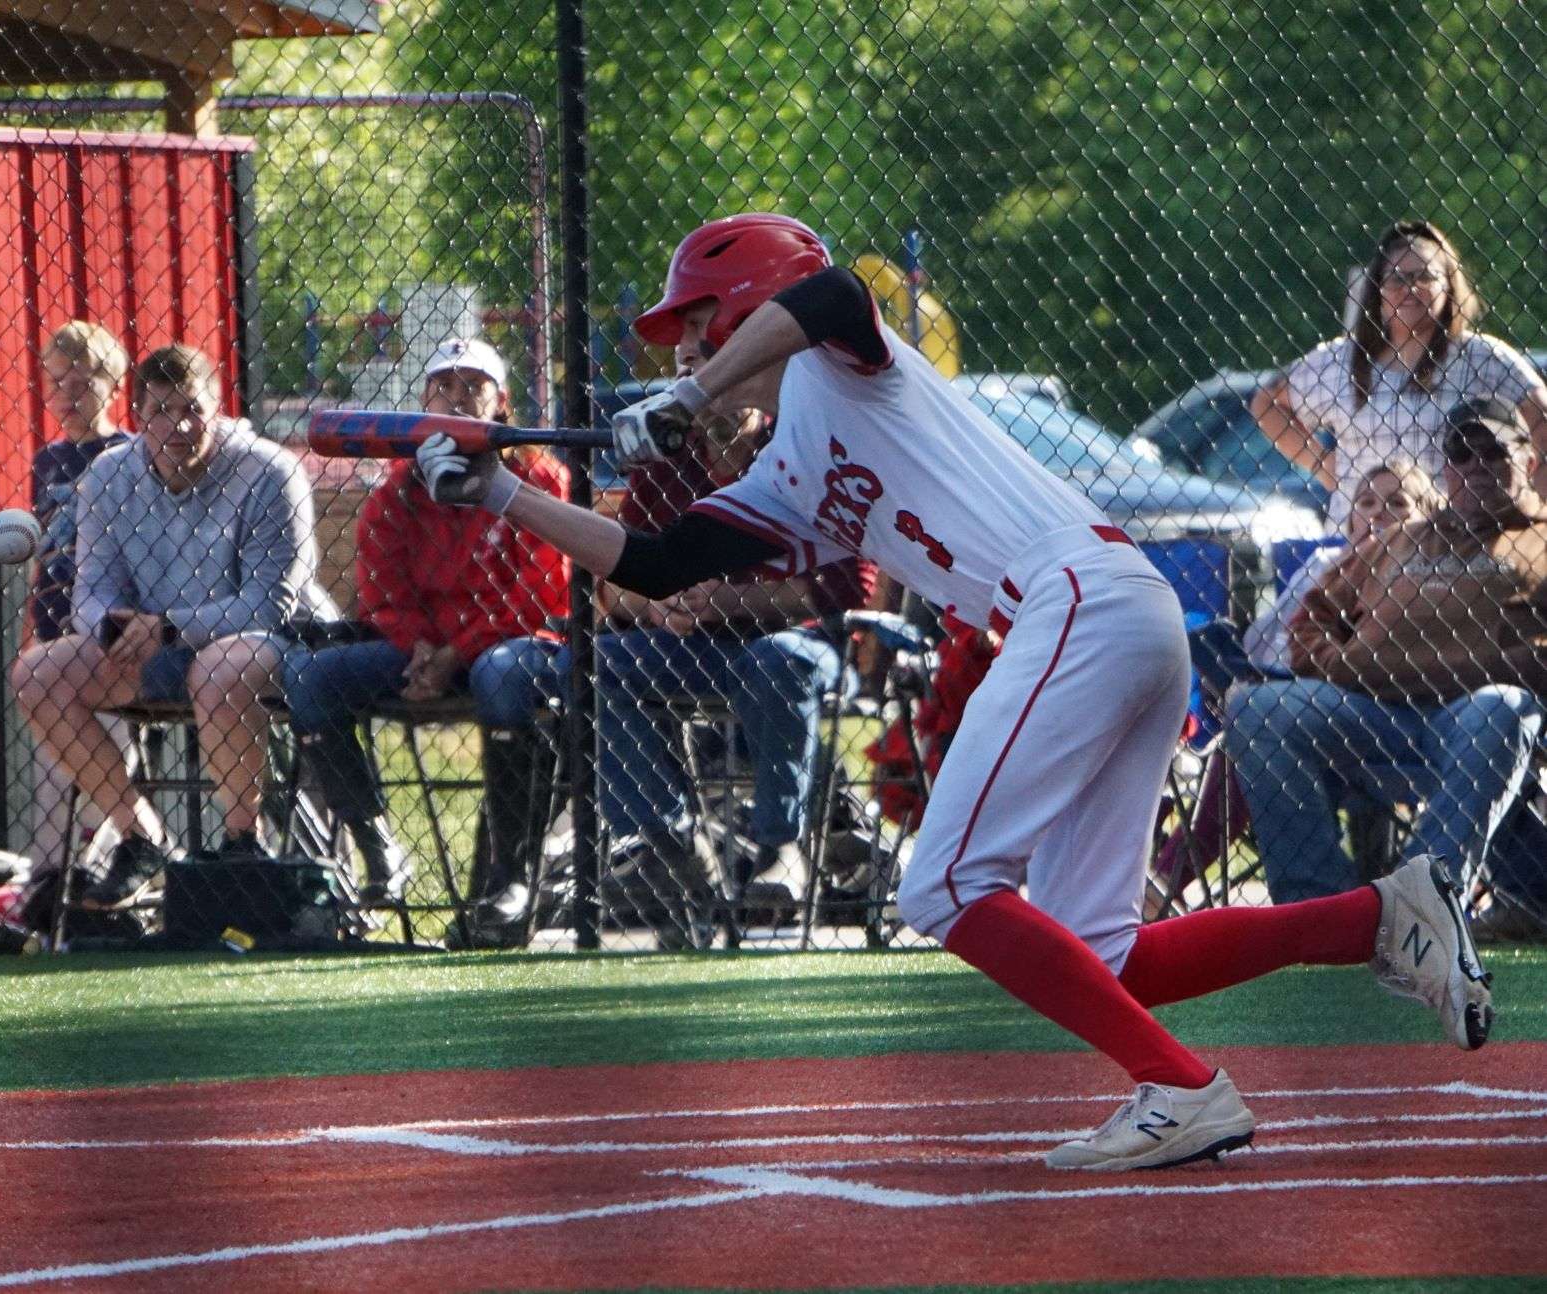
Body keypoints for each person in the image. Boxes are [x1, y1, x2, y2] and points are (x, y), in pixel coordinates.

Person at [412, 212, 1492, 1171]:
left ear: (746, 304)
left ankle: (1180, 1089)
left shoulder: (845, 361)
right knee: (1103, 953)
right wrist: (503, 488)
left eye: (697, 321)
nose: (686, 347)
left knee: (943, 885)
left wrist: (689, 391)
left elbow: (829, 294)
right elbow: (652, 562)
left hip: (1081, 606)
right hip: (1110, 617)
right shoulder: (782, 468)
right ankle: (1382, 915)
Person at [11, 344, 337, 907]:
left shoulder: (270, 472)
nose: (178, 425)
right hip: (153, 643)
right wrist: (112, 627)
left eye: (192, 408)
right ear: (137, 416)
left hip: (268, 646)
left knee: (219, 669)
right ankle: (142, 838)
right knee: (37, 674)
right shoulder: (108, 477)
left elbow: (270, 603)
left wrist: (167, 627)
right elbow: (90, 593)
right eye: (160, 410)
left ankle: (242, 840)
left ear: (218, 407)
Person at [281, 338, 570, 912]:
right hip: (419, 650)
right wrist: (420, 648)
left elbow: (536, 593)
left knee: (503, 677)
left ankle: (510, 874)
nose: (458, 399)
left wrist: (453, 654)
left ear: (501, 403)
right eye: (444, 386)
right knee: (311, 678)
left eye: (473, 387)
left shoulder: (536, 477)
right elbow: (382, 587)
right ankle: (378, 848)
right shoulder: (399, 487)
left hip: (506, 647)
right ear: (422, 400)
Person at [1228, 399, 1547, 904]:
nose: (1477, 466)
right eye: (1461, 455)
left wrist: (1524, 666)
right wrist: (1338, 665)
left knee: (1499, 707)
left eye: (1493, 452)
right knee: (1256, 707)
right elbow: (1313, 616)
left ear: (1528, 462)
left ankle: (1413, 904)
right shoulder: (1399, 541)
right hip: (1375, 709)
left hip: (1474, 718)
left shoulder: (1541, 540)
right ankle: (1320, 909)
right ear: (1446, 471)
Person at [587, 392, 874, 936]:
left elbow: (842, 590)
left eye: (725, 374)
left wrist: (729, 600)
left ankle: (779, 847)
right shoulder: (665, 457)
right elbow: (611, 584)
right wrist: (655, 601)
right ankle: (665, 847)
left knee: (774, 661)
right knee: (604, 661)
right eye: (696, 377)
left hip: (801, 645)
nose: (713, 395)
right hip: (694, 647)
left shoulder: (806, 448)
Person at [1155, 459, 1441, 888]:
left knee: (1255, 732)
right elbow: (1263, 644)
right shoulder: (1326, 563)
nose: (1378, 514)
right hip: (1293, 697)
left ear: (1426, 518)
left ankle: (1163, 881)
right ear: (1349, 517)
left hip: (1384, 716)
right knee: (1248, 710)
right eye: (1366, 502)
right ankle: (1161, 876)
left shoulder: (1431, 576)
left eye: (1397, 503)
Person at [1250, 220, 1547, 530]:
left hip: (1451, 541)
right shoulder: (1341, 360)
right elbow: (1267, 403)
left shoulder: (1482, 357)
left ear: (1449, 284)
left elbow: (1540, 412)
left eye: (1425, 277)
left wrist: (1531, 500)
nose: (1410, 288)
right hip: (1359, 543)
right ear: (1378, 289)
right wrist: (1322, 464)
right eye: (1397, 279)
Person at [23, 322, 135, 886]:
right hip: (54, 619)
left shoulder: (128, 455)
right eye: (57, 382)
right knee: (53, 754)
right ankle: (52, 871)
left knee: (111, 741)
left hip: (108, 626)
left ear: (113, 386)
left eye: (82, 382)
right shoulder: (48, 461)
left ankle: (111, 855)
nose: (68, 395)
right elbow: (46, 546)